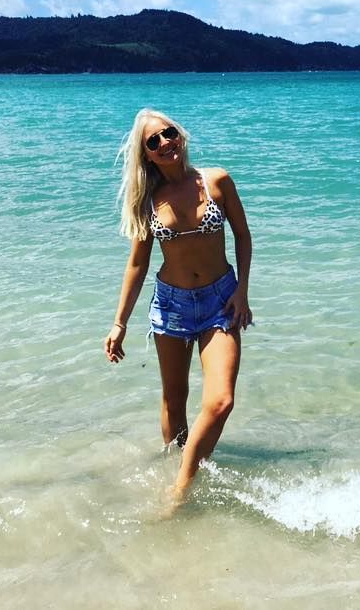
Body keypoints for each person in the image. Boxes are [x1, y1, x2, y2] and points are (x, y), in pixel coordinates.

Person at [103, 109, 252, 505]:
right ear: (147, 155)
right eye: (153, 142)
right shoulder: (148, 201)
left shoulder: (217, 180)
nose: (165, 143)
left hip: (221, 300)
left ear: (180, 135)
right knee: (174, 399)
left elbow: (243, 236)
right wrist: (119, 323)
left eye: (168, 133)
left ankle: (180, 490)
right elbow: (138, 264)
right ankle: (180, 469)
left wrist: (242, 292)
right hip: (171, 305)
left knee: (220, 402)